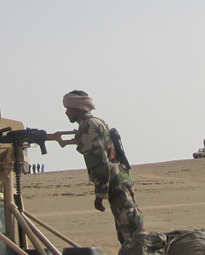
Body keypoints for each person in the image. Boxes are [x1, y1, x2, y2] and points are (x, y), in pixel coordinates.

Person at [50, 90, 143, 244]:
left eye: (68, 108)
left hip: (115, 183)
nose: (66, 112)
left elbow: (99, 162)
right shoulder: (94, 123)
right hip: (119, 179)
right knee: (127, 231)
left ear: (77, 107)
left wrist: (100, 195)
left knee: (131, 233)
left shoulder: (89, 126)